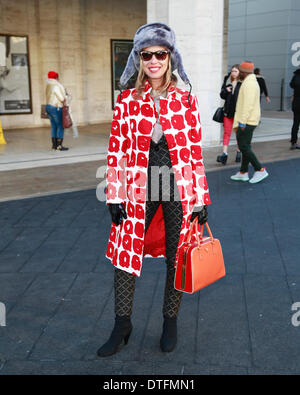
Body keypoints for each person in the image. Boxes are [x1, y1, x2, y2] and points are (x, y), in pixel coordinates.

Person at [97, 23, 211, 357]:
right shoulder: (128, 99)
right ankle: (122, 325)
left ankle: (170, 321)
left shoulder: (185, 97)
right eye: (147, 54)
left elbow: (193, 151)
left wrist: (201, 198)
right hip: (138, 184)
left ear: (170, 56)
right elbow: (116, 148)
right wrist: (114, 193)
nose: (154, 60)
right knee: (124, 255)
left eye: (160, 53)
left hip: (177, 183)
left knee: (178, 257)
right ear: (139, 58)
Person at [230, 61, 269, 184]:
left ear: (243, 72)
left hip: (246, 121)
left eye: (239, 71)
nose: (238, 73)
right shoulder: (249, 82)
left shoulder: (249, 84)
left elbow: (248, 105)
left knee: (244, 146)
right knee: (245, 146)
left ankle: (260, 169)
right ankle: (243, 172)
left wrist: (242, 122)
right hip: (248, 120)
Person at [217, 64, 242, 165]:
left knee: (238, 134)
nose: (233, 73)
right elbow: (222, 95)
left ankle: (238, 152)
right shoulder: (228, 82)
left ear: (239, 72)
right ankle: (224, 154)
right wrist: (225, 91)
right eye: (232, 71)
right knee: (226, 133)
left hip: (238, 113)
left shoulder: (242, 84)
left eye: (235, 71)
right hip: (228, 112)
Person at [45, 71, 68, 151]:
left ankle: (54, 146)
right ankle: (59, 146)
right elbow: (61, 98)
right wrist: (65, 98)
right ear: (56, 78)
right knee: (60, 126)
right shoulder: (56, 86)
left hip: (48, 107)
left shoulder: (48, 85)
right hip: (56, 107)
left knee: (54, 126)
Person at [289, 66, 300, 150]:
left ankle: (293, 142)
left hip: (296, 103)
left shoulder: (295, 76)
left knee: (295, 123)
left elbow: (291, 85)